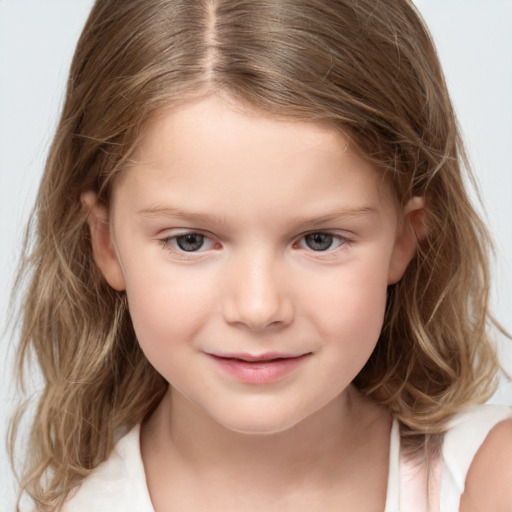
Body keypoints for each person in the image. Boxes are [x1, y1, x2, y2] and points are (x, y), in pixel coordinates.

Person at [9, 0, 512, 511]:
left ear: (404, 238)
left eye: (319, 239)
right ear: (106, 242)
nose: (257, 307)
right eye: (190, 241)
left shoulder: (489, 480)